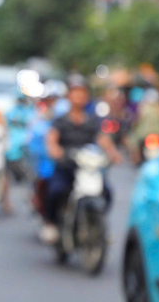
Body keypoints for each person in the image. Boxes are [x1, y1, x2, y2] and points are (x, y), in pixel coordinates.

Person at [42, 77, 123, 243]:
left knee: (106, 192)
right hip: (67, 165)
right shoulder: (61, 120)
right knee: (55, 190)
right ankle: (51, 224)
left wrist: (113, 153)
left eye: (82, 94)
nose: (79, 97)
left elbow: (103, 140)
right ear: (69, 97)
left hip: (87, 167)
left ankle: (97, 225)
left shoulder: (92, 120)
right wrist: (55, 150)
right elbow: (52, 139)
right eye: (75, 94)